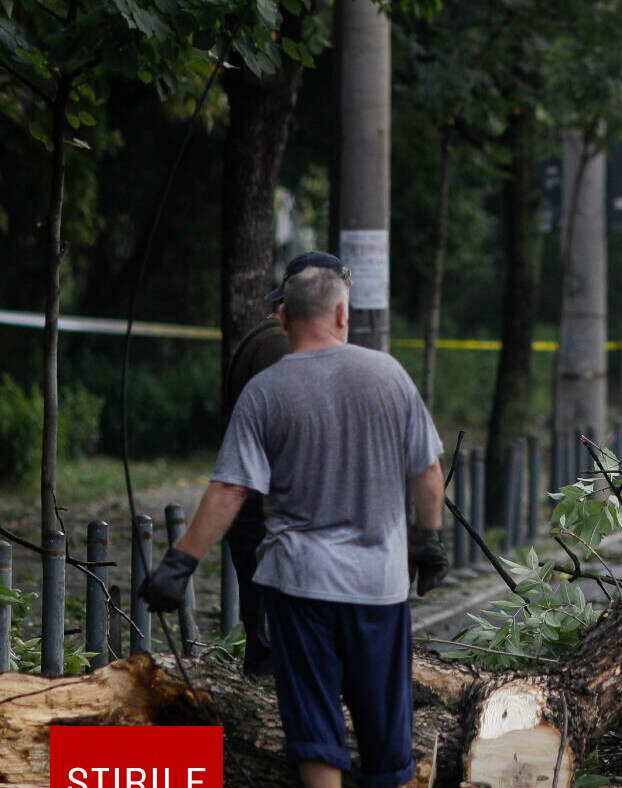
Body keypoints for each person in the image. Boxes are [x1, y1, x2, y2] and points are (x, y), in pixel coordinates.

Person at [141, 252, 447, 788]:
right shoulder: (389, 376)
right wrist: (427, 541)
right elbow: (426, 471)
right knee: (385, 735)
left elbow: (231, 488)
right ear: (342, 314)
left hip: (301, 586)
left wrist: (180, 562)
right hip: (378, 588)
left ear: (281, 318)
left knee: (315, 732)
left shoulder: (265, 392)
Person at [221, 304, 290, 677]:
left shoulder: (265, 338)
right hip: (269, 511)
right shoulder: (279, 347)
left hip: (258, 507)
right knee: (272, 646)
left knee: (266, 634)